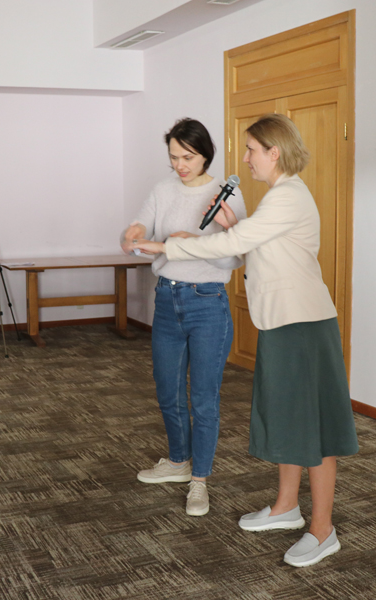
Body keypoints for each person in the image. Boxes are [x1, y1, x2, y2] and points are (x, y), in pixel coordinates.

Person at [136, 114, 359, 567]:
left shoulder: (288, 196)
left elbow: (228, 246)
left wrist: (166, 247)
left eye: (252, 149)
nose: (245, 158)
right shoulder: (280, 195)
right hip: (282, 321)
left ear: (274, 152)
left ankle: (323, 530)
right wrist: (234, 223)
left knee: (313, 427)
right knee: (287, 418)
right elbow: (255, 244)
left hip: (302, 325)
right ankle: (286, 506)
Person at [122, 118, 247, 517]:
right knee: (168, 390)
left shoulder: (225, 194)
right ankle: (178, 461)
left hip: (207, 301)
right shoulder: (163, 189)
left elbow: (236, 256)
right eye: (174, 157)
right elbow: (142, 223)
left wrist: (195, 244)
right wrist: (132, 232)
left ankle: (200, 480)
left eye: (187, 157)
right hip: (167, 298)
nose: (180, 165)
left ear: (205, 154)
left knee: (204, 398)